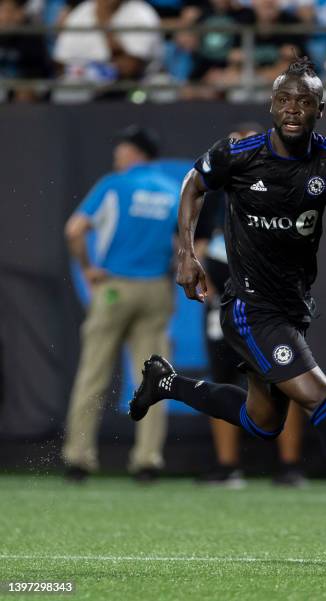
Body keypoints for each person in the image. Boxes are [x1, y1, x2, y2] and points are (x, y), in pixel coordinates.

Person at [130, 56, 326, 568]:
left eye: (304, 102)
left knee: (263, 422)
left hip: (292, 309)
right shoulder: (240, 152)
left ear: (321, 109)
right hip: (249, 308)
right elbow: (193, 184)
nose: (293, 110)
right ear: (272, 105)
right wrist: (185, 251)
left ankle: (167, 384)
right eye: (284, 100)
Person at [194, 121, 308, 488]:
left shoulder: (281, 188)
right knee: (223, 376)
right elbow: (196, 244)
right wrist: (207, 286)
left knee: (285, 379)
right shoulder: (214, 195)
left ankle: (289, 466)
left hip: (267, 302)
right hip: (224, 301)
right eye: (235, 146)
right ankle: (228, 466)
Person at [63, 126, 178, 483]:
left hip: (114, 288)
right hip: (156, 289)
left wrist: (86, 268)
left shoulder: (115, 184)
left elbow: (75, 229)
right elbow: (182, 245)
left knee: (93, 373)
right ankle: (148, 460)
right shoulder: (173, 191)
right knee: (155, 378)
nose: (117, 155)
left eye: (122, 148)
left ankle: (78, 459)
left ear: (134, 153)